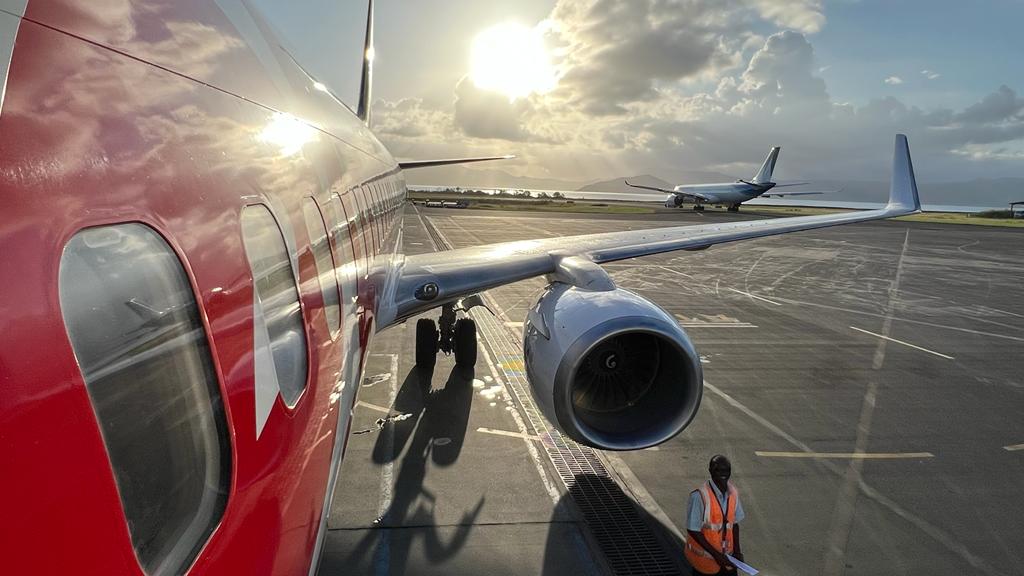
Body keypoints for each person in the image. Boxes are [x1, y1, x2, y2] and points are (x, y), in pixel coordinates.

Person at [685, 455, 745, 575]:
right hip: (705, 563)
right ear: (710, 471)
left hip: (728, 560)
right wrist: (717, 555)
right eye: (718, 470)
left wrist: (737, 552)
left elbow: (734, 525)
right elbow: (693, 530)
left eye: (727, 470)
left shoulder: (733, 493)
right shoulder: (699, 496)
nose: (723, 473)